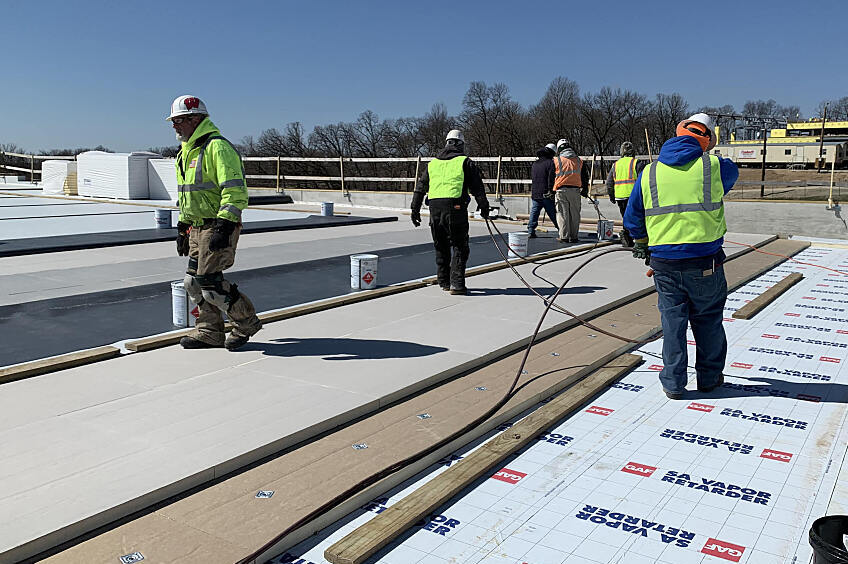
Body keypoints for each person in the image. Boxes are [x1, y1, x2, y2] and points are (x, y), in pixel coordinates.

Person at [623, 113, 739, 399]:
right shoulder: (715, 166)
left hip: (664, 264)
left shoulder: (649, 172)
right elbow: (728, 174)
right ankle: (709, 379)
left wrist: (641, 242)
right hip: (705, 262)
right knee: (708, 320)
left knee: (673, 323)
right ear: (709, 140)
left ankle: (674, 384)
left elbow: (633, 217)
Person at [169, 95, 262, 350]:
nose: (174, 126)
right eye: (173, 121)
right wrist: (182, 227)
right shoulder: (185, 153)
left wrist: (225, 225)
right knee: (192, 282)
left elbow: (235, 190)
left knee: (210, 284)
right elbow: (187, 195)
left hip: (217, 225)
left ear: (195, 119)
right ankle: (209, 331)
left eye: (179, 121)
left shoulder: (217, 147)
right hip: (196, 227)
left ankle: (246, 323)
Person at [410, 130, 490, 295]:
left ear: (446, 143)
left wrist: (415, 209)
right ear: (460, 144)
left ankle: (444, 281)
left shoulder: (433, 164)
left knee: (441, 246)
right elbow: (477, 187)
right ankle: (457, 284)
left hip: (434, 209)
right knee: (460, 246)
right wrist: (484, 206)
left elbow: (420, 188)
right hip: (455, 209)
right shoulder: (464, 162)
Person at [606, 141, 646, 247]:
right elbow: (645, 179)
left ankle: (626, 236)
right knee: (639, 218)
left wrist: (611, 196)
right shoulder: (636, 163)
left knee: (626, 218)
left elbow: (609, 182)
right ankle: (640, 239)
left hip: (620, 197)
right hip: (634, 196)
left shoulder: (615, 165)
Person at [552, 138, 589, 243]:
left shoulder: (556, 160)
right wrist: (585, 190)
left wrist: (550, 190)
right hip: (575, 190)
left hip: (561, 190)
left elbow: (551, 177)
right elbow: (585, 177)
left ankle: (564, 236)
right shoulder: (579, 161)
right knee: (575, 214)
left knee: (563, 214)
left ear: (559, 149)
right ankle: (574, 237)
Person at [527, 143, 559, 238]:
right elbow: (551, 179)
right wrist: (551, 191)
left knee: (534, 212)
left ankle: (530, 230)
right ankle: (561, 230)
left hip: (535, 192)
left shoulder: (535, 164)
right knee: (553, 214)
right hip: (546, 193)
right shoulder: (550, 163)